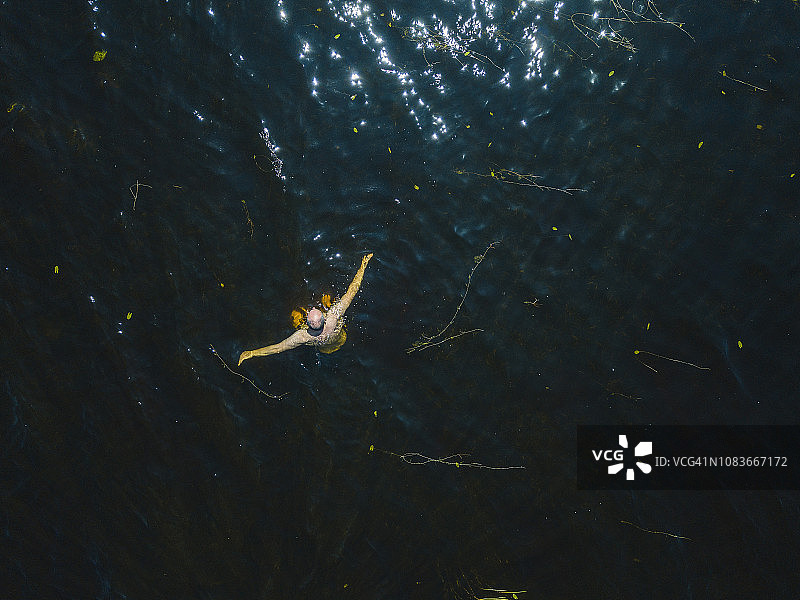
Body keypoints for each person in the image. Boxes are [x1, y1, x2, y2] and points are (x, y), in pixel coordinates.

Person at [238, 253, 373, 365]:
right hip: (341, 338)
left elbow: (278, 348)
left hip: (324, 349)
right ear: (323, 318)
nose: (313, 307)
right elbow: (352, 291)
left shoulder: (303, 336)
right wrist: (363, 265)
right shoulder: (334, 315)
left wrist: (252, 353)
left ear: (307, 325)